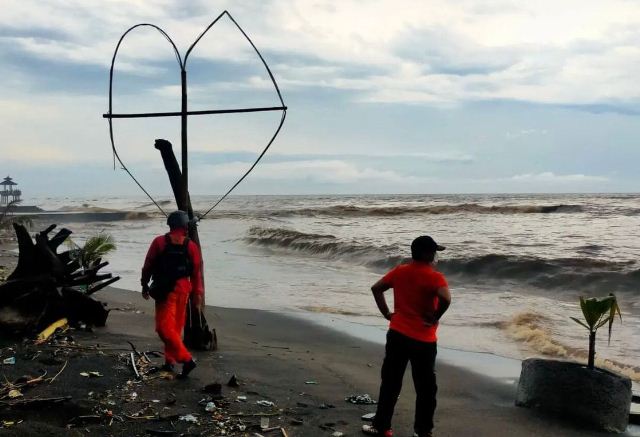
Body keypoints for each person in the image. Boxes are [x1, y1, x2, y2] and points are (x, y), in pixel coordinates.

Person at [363, 235, 451, 437]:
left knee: (391, 383)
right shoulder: (435, 277)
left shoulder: (400, 271)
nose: (436, 256)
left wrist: (387, 314)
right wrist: (435, 316)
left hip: (398, 334)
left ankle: (382, 427)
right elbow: (446, 298)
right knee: (426, 389)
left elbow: (376, 288)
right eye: (434, 252)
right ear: (427, 254)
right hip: (424, 340)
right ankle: (422, 432)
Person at [141, 210, 204, 378]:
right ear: (185, 227)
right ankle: (169, 362)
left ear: (170, 225)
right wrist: (197, 295)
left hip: (166, 290)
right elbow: (197, 273)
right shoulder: (191, 246)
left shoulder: (159, 242)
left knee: (163, 328)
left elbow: (148, 265)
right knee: (174, 328)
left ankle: (186, 359)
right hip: (183, 289)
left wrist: (144, 284)